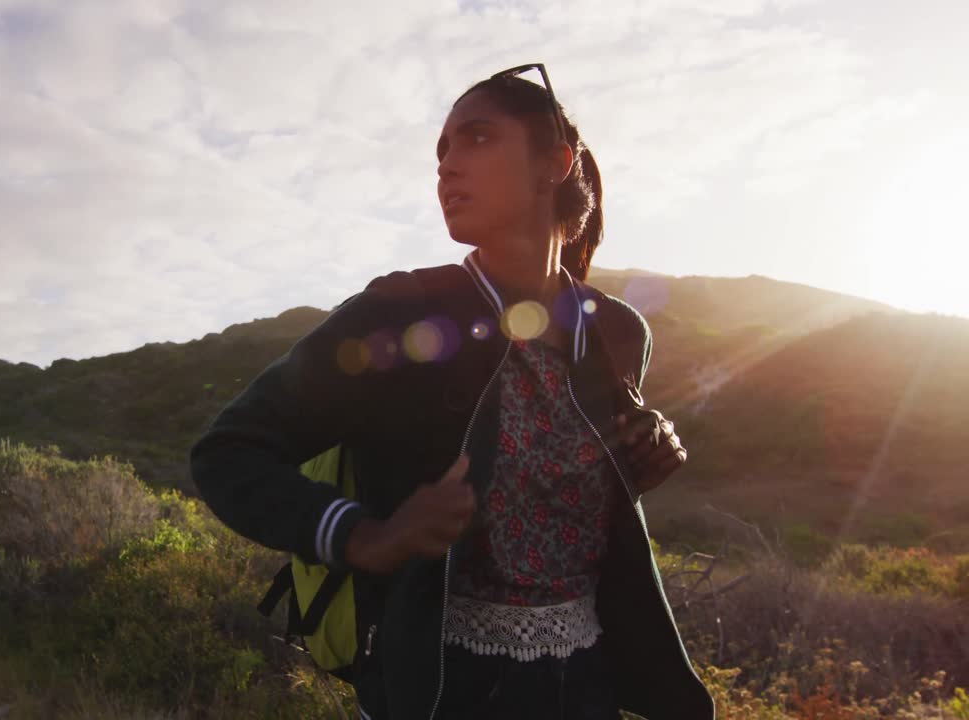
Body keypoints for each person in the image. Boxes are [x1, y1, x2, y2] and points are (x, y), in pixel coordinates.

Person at [190, 63, 715, 720]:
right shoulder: (397, 314)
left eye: (477, 138)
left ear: (554, 162)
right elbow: (227, 452)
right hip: (437, 687)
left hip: (587, 683)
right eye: (440, 151)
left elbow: (568, 495)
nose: (445, 166)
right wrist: (364, 536)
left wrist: (639, 461)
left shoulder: (617, 332)